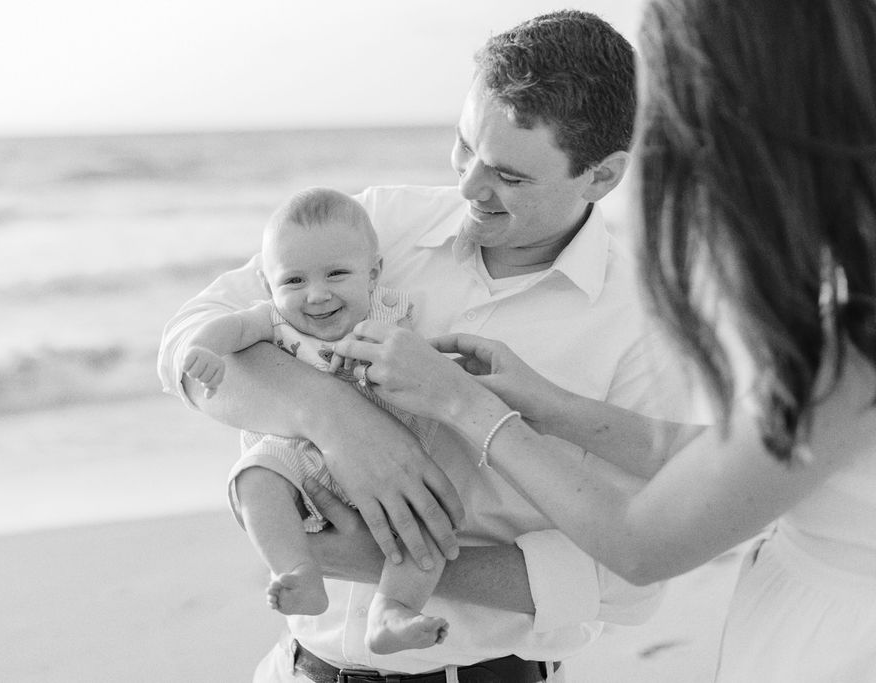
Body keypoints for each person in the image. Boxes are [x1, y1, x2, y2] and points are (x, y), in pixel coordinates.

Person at [329, 1, 876, 680]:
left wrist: (464, 405)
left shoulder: (854, 335)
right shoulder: (851, 298)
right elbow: (732, 458)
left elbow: (645, 547)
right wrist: (553, 406)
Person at [159, 10, 705, 682]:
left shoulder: (642, 327)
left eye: (509, 175)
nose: (470, 187)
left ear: (600, 176)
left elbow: (629, 583)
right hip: (302, 668)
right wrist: (337, 417)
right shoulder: (382, 224)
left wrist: (382, 558)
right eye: (465, 146)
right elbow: (190, 339)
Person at [182, 186, 449, 654]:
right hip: (295, 458)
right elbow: (230, 326)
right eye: (294, 282)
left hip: (393, 462)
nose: (317, 294)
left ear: (373, 274)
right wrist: (202, 349)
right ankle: (297, 570)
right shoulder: (273, 322)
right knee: (252, 479)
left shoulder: (391, 316)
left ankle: (393, 611)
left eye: (337, 274)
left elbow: (426, 372)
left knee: (427, 523)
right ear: (268, 286)